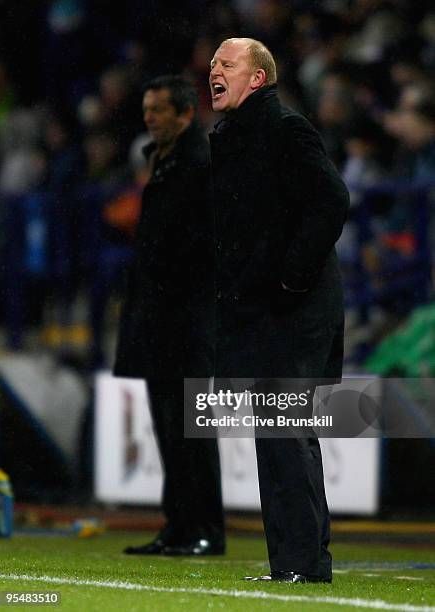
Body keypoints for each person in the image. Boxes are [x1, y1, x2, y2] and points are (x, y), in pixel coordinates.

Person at [208, 38, 349, 582]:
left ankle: (301, 563)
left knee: (283, 432)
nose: (215, 70)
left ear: (258, 79)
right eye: (214, 63)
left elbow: (331, 199)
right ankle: (300, 561)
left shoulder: (285, 130)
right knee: (281, 435)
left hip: (295, 309)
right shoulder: (234, 138)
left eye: (228, 63)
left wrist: (292, 277)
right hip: (268, 310)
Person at [114, 75, 225, 556]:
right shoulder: (161, 164)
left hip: (187, 318)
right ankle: (178, 525)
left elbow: (198, 245)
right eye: (146, 109)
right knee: (167, 424)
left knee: (190, 427)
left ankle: (205, 528)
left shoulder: (197, 164)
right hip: (159, 316)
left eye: (159, 110)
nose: (149, 118)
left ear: (185, 114)